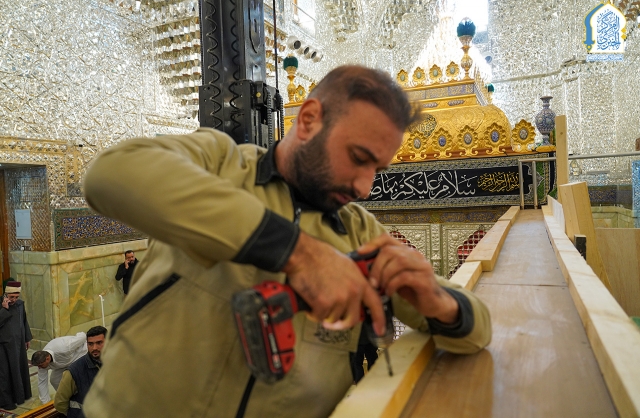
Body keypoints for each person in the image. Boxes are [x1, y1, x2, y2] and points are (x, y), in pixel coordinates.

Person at [82, 65, 492, 418]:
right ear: (309, 119)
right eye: (358, 158)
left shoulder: (361, 233)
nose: (365, 187)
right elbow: (110, 174)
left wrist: (439, 302)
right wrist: (298, 252)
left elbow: (477, 327)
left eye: (377, 170)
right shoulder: (221, 164)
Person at [54, 326, 107, 417]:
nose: (94, 348)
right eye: (90, 344)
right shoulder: (74, 372)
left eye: (99, 343)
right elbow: (60, 403)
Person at [0, 281, 32, 410]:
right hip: (3, 346)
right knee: (5, 373)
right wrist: (4, 309)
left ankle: (20, 396)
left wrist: (26, 338)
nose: (14, 299)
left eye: (16, 297)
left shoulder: (20, 304)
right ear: (5, 294)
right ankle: (7, 401)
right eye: (11, 297)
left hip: (18, 343)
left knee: (19, 369)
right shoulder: (1, 305)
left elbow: (24, 321)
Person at [31, 332, 87, 404]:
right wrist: (45, 404)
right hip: (63, 364)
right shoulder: (42, 363)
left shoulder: (65, 347)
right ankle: (67, 397)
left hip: (80, 355)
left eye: (40, 365)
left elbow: (82, 336)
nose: (39, 368)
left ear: (47, 359)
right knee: (54, 380)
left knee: (79, 377)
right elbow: (42, 383)